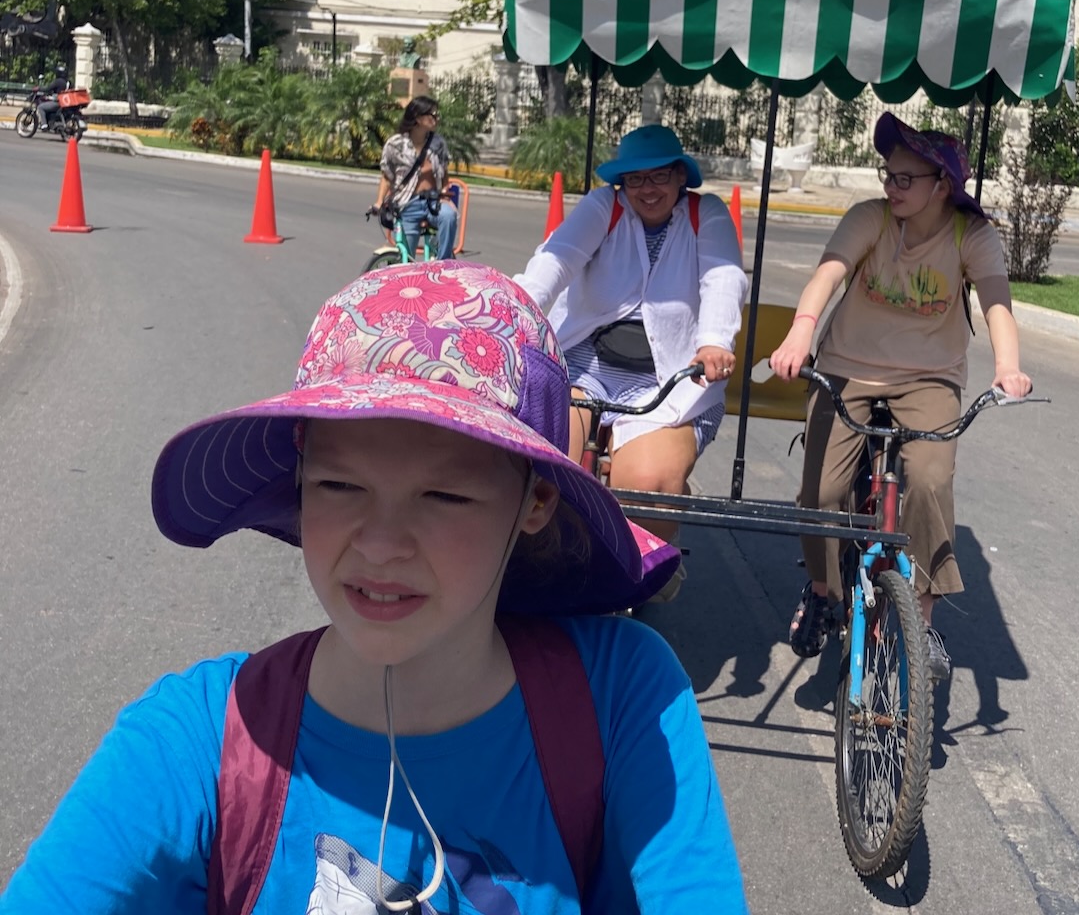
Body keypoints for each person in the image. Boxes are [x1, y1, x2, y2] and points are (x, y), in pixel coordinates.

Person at [0, 262, 748, 914]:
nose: (381, 545)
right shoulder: (199, 743)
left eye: (444, 497)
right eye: (339, 485)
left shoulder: (622, 700)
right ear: (298, 487)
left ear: (536, 502)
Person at [769, 112, 1032, 680]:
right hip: (847, 368)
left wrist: (1008, 367)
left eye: (905, 179)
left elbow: (996, 304)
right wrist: (800, 332)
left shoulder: (970, 234)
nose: (892, 187)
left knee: (931, 481)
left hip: (929, 377)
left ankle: (923, 619)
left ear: (943, 184)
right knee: (822, 491)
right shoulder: (871, 218)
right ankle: (822, 590)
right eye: (887, 175)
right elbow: (828, 274)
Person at [515, 125, 748, 600]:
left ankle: (649, 557)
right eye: (635, 179)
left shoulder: (708, 215)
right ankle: (537, 570)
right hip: (586, 366)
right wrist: (514, 309)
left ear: (681, 177)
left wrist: (714, 341)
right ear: (622, 184)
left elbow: (724, 280)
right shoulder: (606, 206)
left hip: (675, 378)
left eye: (660, 176)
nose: (648, 189)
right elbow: (554, 261)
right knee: (544, 463)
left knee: (646, 484)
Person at [374, 95, 460, 260]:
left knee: (449, 216)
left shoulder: (438, 143)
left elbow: (444, 173)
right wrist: (379, 202)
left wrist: (444, 192)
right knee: (407, 257)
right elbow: (386, 176)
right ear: (419, 118)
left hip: (433, 202)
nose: (437, 119)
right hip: (408, 204)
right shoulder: (395, 144)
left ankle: (443, 263)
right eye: (432, 115)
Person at [36, 64, 69, 131]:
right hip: (65, 103)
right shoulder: (68, 82)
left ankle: (44, 125)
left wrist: (39, 88)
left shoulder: (58, 81)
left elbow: (48, 88)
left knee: (41, 107)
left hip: (58, 103)